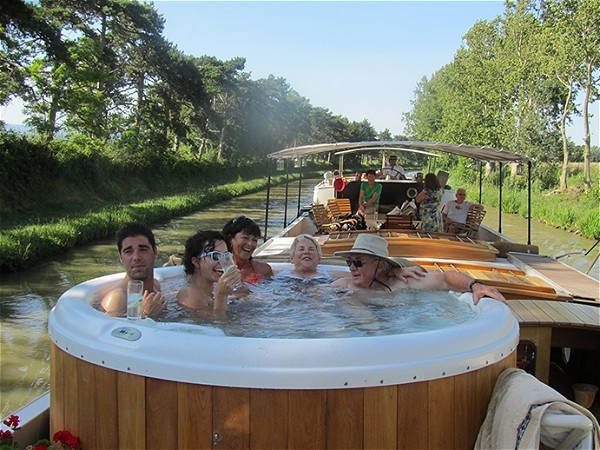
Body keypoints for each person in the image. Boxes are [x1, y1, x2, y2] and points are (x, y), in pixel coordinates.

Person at [331, 234, 505, 304]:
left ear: (380, 265)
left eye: (358, 262)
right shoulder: (343, 285)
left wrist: (476, 285)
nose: (352, 267)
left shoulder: (404, 283)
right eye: (349, 263)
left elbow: (445, 279)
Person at [276, 234, 427, 283]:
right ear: (291, 258)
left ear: (319, 258)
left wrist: (394, 271)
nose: (306, 253)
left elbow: (366, 274)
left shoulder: (332, 276)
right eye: (301, 249)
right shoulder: (278, 276)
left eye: (311, 249)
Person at [100, 222, 167, 317]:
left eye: (143, 249)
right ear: (121, 258)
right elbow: (114, 331)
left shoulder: (155, 285)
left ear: (155, 252)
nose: (136, 257)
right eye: (128, 252)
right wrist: (145, 315)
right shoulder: (117, 300)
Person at [177, 230, 241, 318]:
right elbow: (216, 326)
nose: (222, 262)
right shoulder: (190, 295)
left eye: (225, 256)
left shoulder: (210, 290)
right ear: (196, 262)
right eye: (215, 256)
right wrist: (221, 296)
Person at [222, 216, 273, 283]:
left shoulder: (264, 270)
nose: (250, 244)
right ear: (230, 239)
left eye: (254, 240)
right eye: (245, 238)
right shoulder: (217, 272)